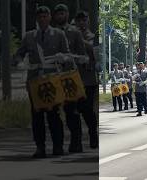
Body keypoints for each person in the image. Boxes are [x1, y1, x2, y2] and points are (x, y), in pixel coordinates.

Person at [15, 6, 69, 158]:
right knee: (37, 116)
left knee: (54, 115)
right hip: (35, 80)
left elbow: (67, 54)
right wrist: (20, 63)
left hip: (53, 79)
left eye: (45, 16)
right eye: (40, 17)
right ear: (37, 19)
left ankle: (58, 146)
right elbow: (19, 54)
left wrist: (63, 58)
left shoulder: (58, 34)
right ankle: (40, 147)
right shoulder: (29, 36)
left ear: (50, 18)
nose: (43, 19)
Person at [53, 4, 87, 153]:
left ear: (67, 14)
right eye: (58, 14)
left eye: (63, 13)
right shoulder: (51, 33)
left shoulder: (75, 33)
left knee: (71, 111)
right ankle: (58, 145)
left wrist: (71, 58)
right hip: (53, 77)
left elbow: (83, 56)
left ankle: (76, 142)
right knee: (53, 112)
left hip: (69, 77)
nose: (60, 16)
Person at [74, 10, 98, 149]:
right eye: (79, 20)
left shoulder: (94, 36)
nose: (81, 23)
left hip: (88, 78)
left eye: (84, 20)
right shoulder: (70, 36)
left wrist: (80, 39)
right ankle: (76, 140)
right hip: (72, 78)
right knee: (74, 109)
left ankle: (92, 134)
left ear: (88, 21)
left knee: (86, 108)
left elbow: (95, 52)